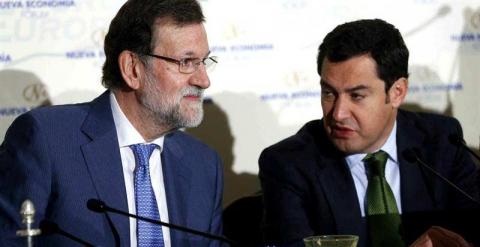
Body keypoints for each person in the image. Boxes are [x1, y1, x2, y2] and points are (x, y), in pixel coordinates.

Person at [0, 0, 224, 246]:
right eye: (186, 62)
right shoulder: (47, 141)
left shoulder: (204, 165)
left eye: (204, 61)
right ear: (132, 68)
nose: (203, 80)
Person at [259, 19, 479, 247]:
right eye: (328, 93)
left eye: (356, 96)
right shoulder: (289, 164)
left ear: (397, 92)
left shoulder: (442, 141)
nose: (338, 113)